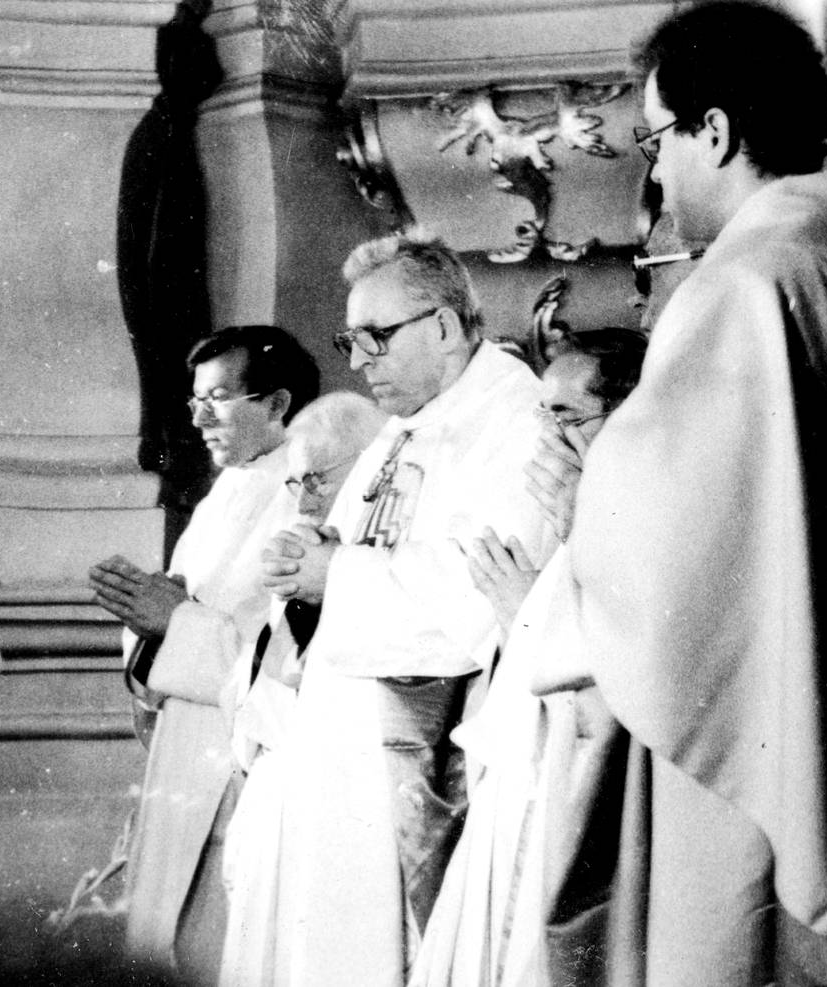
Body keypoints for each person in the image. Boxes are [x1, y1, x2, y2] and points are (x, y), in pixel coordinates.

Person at [522, 3, 827, 983]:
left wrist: (585, 519)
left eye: (657, 142)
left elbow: (674, 582)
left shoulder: (744, 291)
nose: (656, 176)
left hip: (774, 779)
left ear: (714, 131)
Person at [249, 229, 556, 986]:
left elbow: (481, 595)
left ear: (444, 327)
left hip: (420, 762)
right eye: (349, 341)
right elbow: (355, 558)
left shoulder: (517, 422)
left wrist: (336, 574)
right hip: (347, 756)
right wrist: (312, 564)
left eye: (375, 338)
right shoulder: (405, 427)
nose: (358, 362)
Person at [409, 327, 647, 987]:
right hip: (520, 792)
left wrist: (527, 614)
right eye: (541, 414)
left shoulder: (639, 518)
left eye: (566, 416)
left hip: (572, 804)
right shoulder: (577, 510)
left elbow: (617, 679)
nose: (545, 436)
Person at [88, 325, 319, 983]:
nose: (197, 418)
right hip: (184, 755)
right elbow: (181, 620)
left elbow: (286, 663)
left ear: (277, 404)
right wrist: (153, 619)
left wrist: (175, 620)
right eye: (196, 400)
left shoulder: (304, 495)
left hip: (242, 767)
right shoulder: (226, 492)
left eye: (217, 398)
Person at [215, 391, 389, 987]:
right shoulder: (296, 560)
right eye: (295, 483)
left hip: (336, 810)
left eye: (318, 479)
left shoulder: (374, 567)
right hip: (275, 802)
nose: (305, 499)